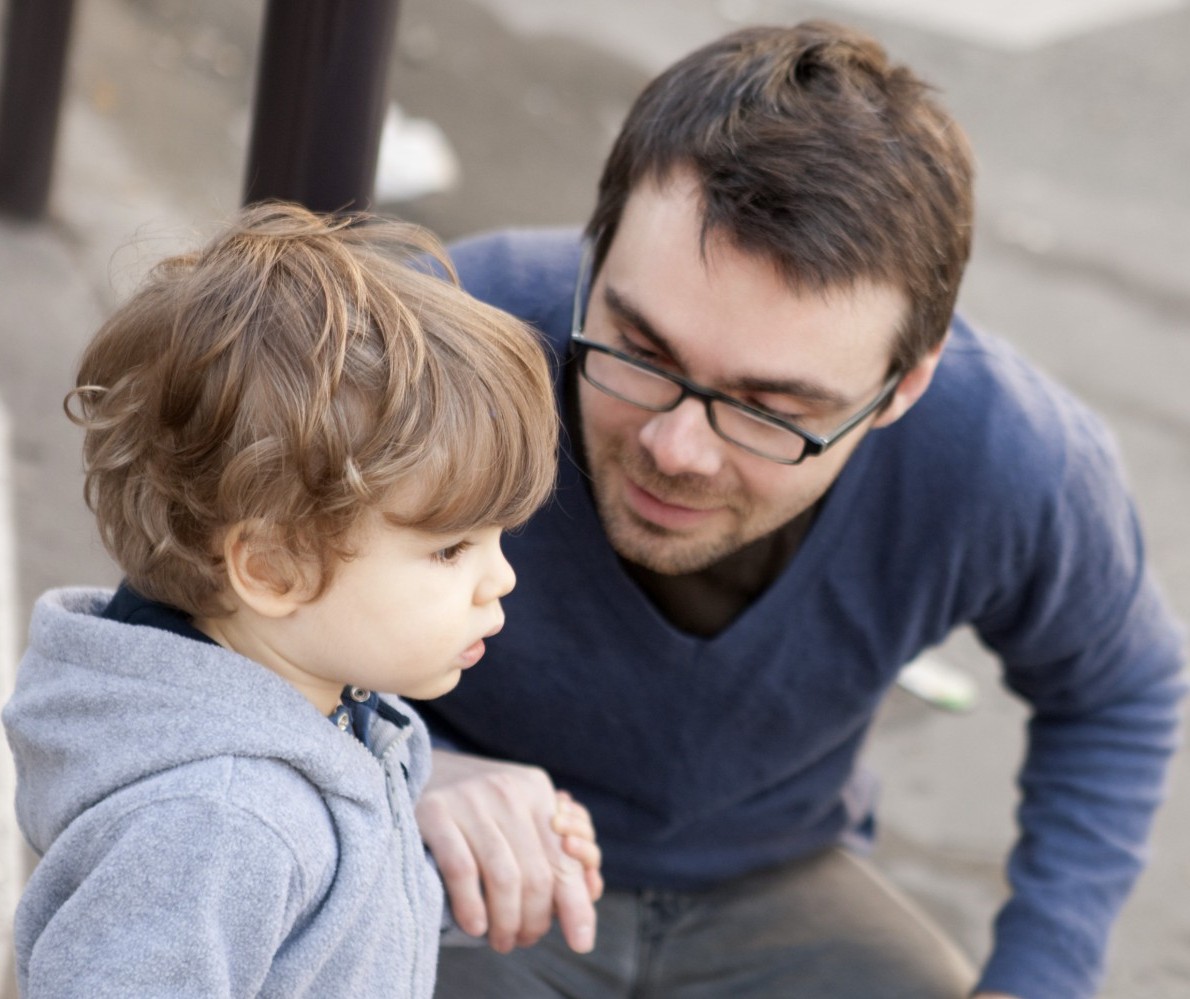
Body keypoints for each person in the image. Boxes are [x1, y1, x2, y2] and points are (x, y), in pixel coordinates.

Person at [412, 20, 1187, 999]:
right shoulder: (446, 333)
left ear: (901, 387)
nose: (674, 448)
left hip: (771, 883)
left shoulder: (1005, 456)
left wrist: (1040, 975)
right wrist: (404, 771)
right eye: (640, 350)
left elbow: (1117, 692)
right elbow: (184, 623)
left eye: (770, 409)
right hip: (462, 861)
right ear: (593, 251)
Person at [1, 203, 601, 996]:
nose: (501, 578)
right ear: (275, 567)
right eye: (451, 547)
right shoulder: (218, 823)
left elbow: (315, 933)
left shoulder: (330, 711)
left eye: (497, 538)